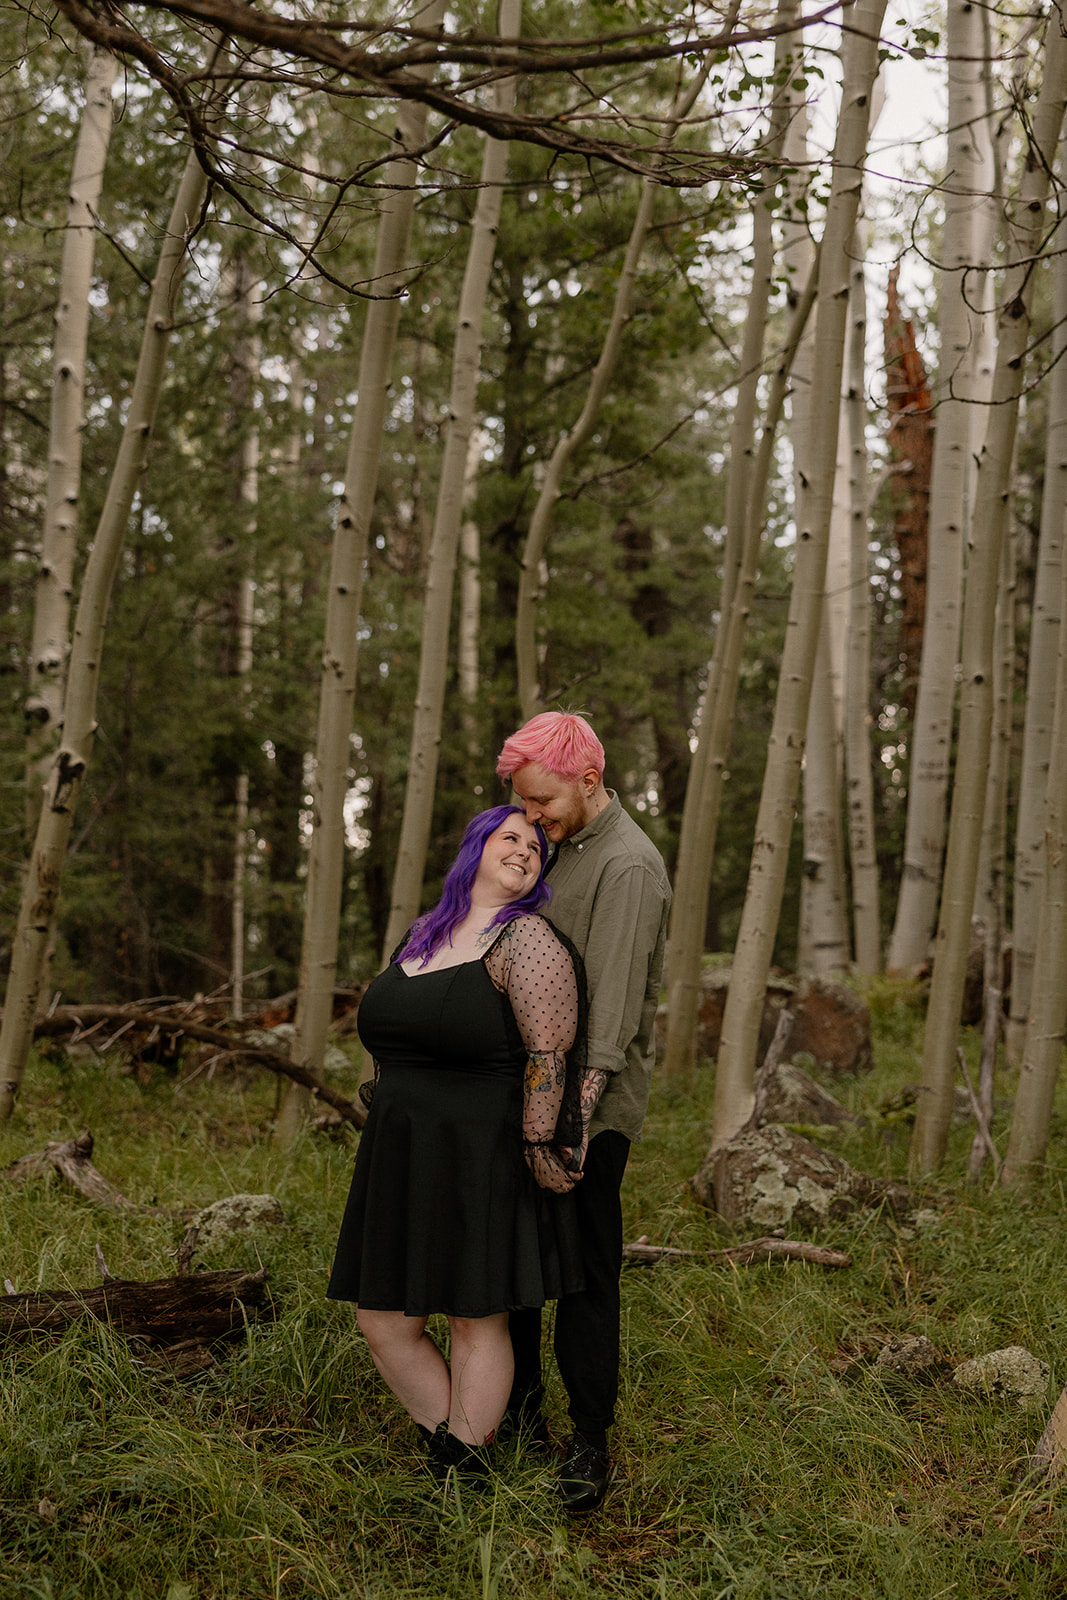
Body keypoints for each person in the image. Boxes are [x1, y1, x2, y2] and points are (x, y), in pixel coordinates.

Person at [327, 804, 588, 1480]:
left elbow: (548, 1055)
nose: (527, 851)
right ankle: (452, 1440)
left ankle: (463, 1465)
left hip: (484, 1151)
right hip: (400, 1151)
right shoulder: (421, 934)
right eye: (511, 838)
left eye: (536, 848)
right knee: (383, 1319)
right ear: (473, 849)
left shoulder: (526, 938)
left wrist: (538, 1144)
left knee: (474, 1317)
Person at [496, 711, 672, 1514]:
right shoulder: (562, 848)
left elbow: (610, 1021)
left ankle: (589, 1442)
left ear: (588, 779)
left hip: (584, 1118)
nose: (530, 817)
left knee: (585, 1277)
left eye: (540, 800)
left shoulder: (627, 866)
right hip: (532, 1103)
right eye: (523, 804)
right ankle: (520, 1416)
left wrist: (569, 1128)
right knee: (521, 1269)